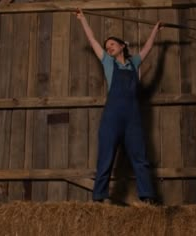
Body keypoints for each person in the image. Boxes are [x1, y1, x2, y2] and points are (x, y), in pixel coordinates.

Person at [75, 9, 162, 204]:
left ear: (122, 46)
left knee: (140, 158)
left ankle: (147, 198)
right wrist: (83, 19)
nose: (109, 48)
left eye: (113, 44)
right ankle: (99, 198)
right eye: (107, 46)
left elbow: (148, 47)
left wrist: (156, 30)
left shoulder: (134, 64)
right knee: (105, 158)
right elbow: (92, 40)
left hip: (132, 119)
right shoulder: (107, 62)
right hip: (112, 118)